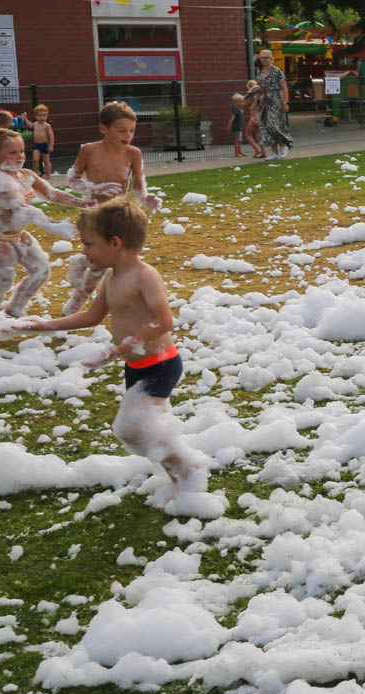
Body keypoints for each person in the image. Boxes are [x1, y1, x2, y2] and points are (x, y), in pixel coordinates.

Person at [16, 200, 222, 518]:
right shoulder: (112, 277)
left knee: (136, 430)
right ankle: (178, 477)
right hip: (136, 365)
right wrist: (43, 325)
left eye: (89, 244)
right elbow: (92, 316)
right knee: (145, 431)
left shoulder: (144, 276)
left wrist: (124, 346)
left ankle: (191, 470)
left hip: (161, 363)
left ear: (115, 243)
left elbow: (164, 321)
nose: (84, 250)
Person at [64, 103, 158, 314]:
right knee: (102, 263)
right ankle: (75, 305)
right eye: (122, 130)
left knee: (110, 261)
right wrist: (95, 187)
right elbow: (72, 179)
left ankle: (80, 280)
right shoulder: (89, 150)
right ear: (104, 129)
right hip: (95, 212)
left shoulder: (133, 153)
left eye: (132, 130)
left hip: (118, 214)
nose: (128, 135)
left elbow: (138, 186)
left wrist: (146, 198)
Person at [0, 130, 80, 316]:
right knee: (3, 281)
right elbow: (23, 209)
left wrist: (83, 203)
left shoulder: (25, 175)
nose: (20, 156)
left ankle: (14, 310)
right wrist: (54, 226)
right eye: (12, 152)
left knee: (41, 270)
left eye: (21, 151)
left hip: (19, 235)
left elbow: (52, 194)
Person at [251, 47, 293, 159]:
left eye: (266, 57)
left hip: (275, 101)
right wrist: (255, 89)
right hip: (264, 102)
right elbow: (257, 85)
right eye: (262, 58)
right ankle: (274, 153)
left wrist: (285, 102)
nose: (263, 60)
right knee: (265, 127)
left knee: (272, 124)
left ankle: (283, 145)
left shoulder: (277, 71)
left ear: (271, 58)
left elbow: (284, 87)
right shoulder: (260, 72)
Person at [27, 105, 53, 176]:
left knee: (46, 160)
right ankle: (36, 174)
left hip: (45, 145)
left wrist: (51, 145)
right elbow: (30, 125)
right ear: (35, 116)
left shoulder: (47, 126)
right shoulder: (35, 124)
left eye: (44, 116)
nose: (42, 117)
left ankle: (48, 174)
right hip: (37, 145)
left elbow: (51, 136)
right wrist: (25, 118)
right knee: (35, 160)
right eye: (40, 115)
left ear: (46, 116)